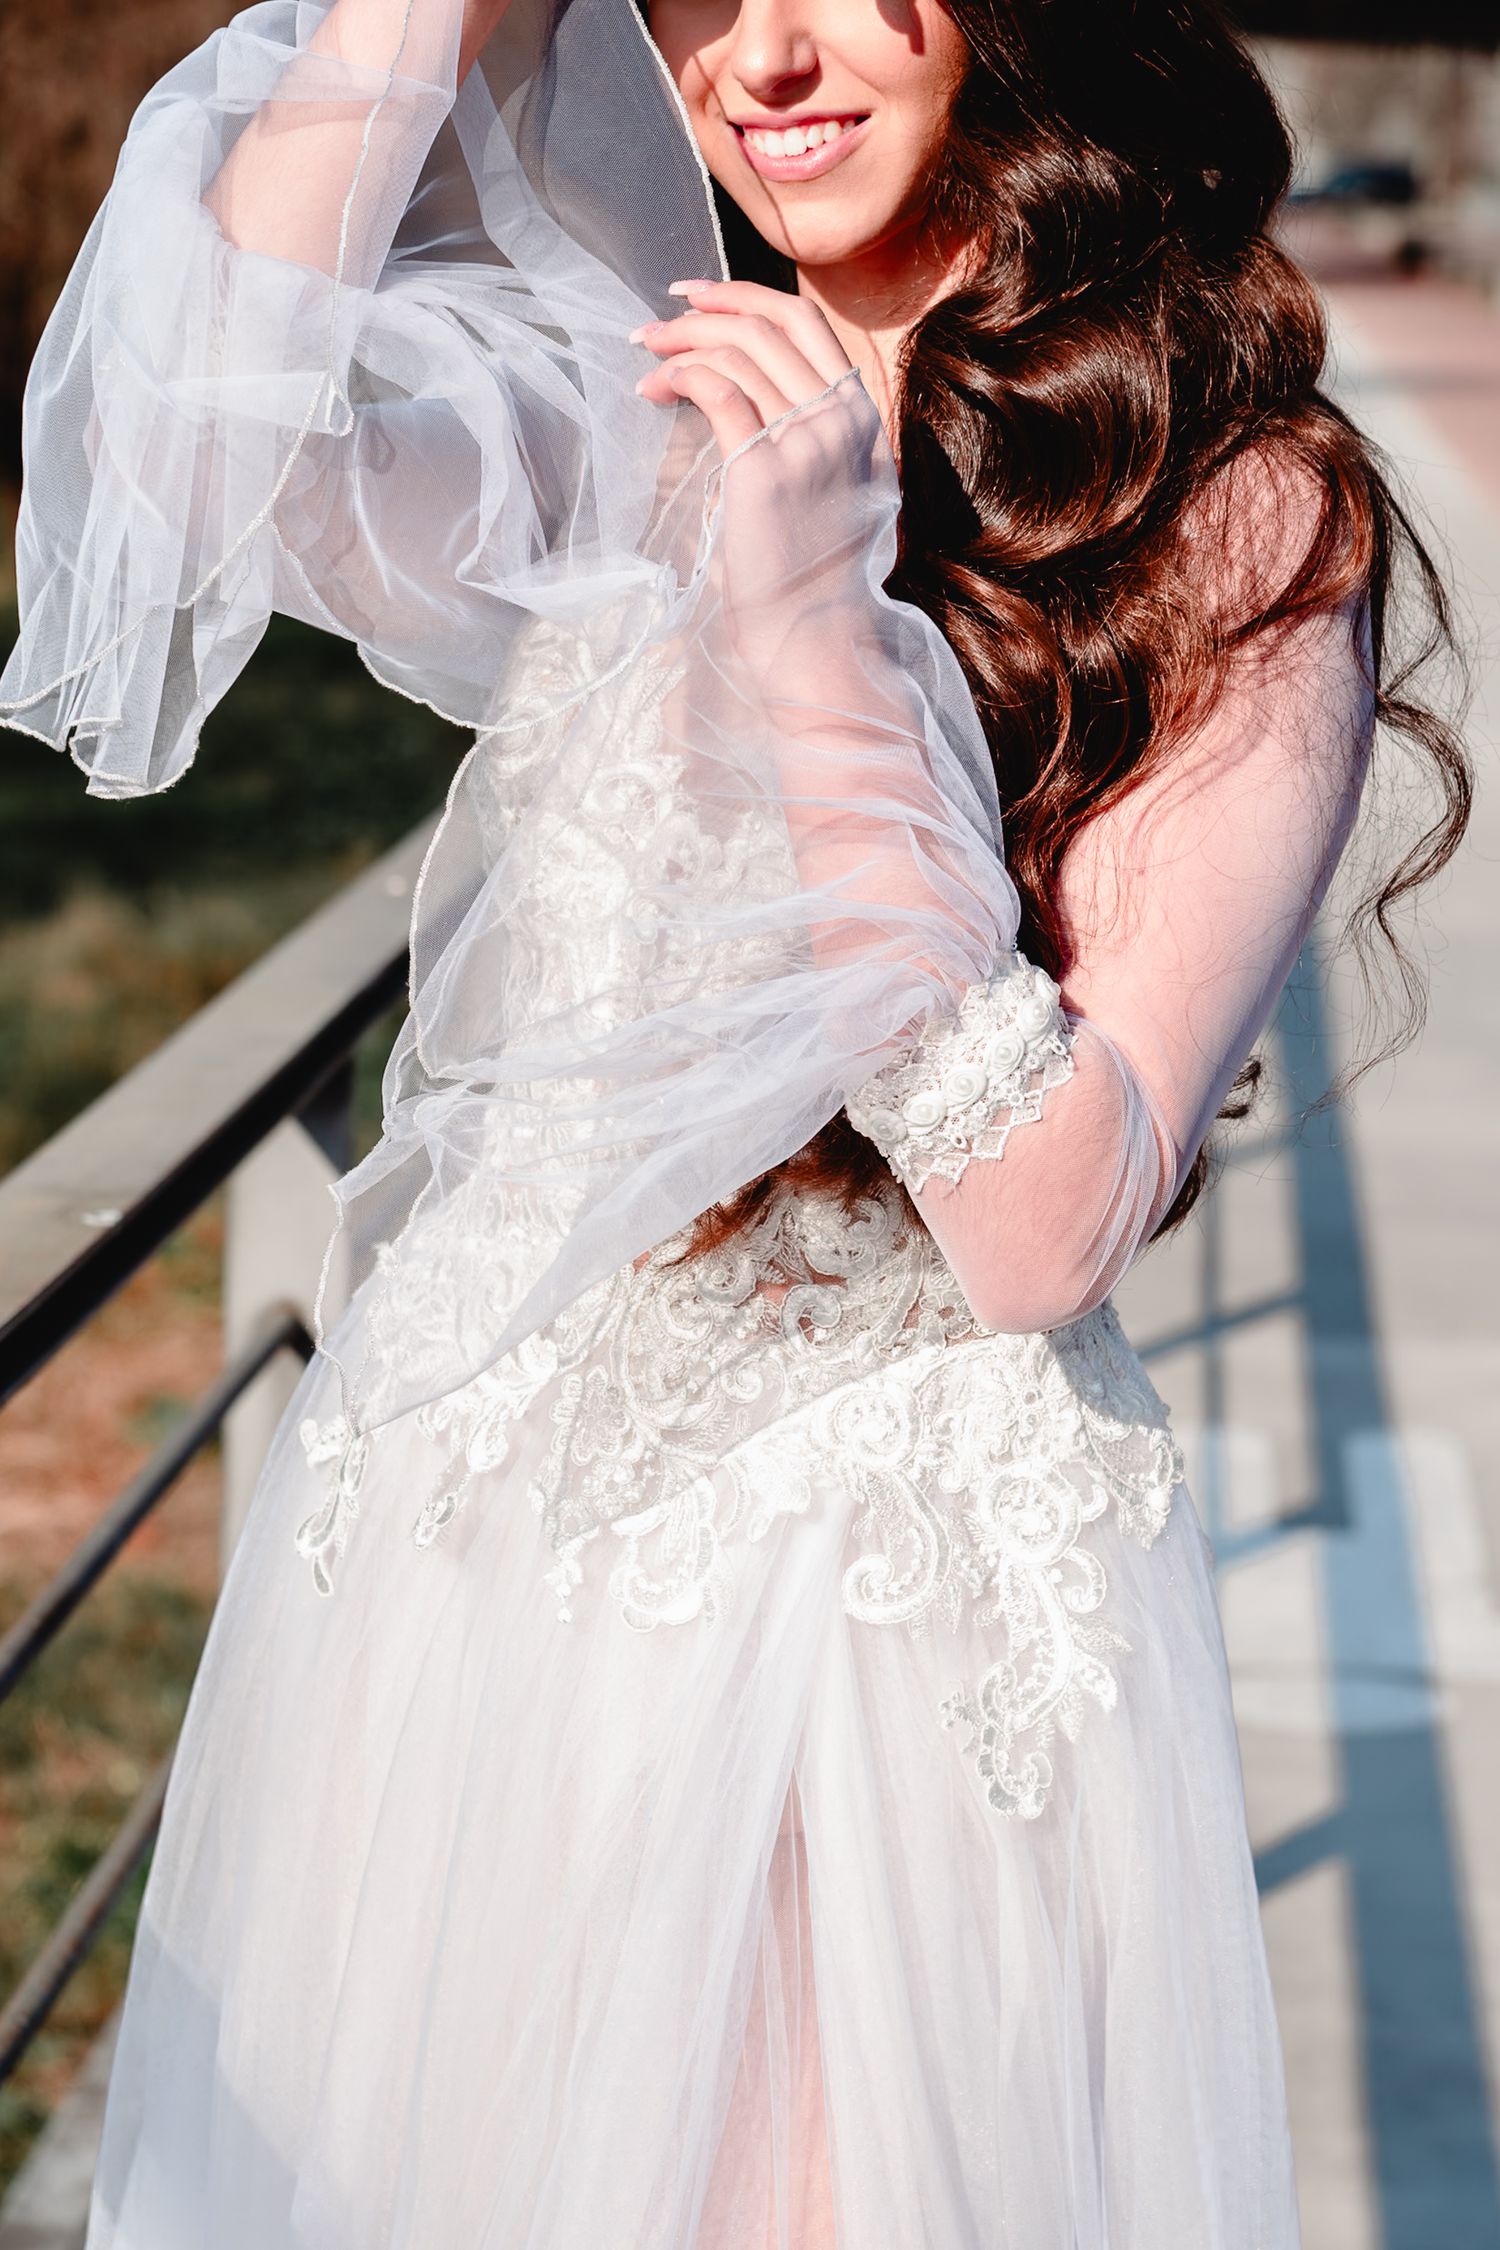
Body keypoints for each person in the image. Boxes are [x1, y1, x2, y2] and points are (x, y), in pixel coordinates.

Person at [0, 0, 1470, 2243]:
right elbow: (192, 456)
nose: (763, 52)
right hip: (453, 1613)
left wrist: (810, 640)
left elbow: (1044, 1227)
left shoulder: (1240, 510)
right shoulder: (631, 401)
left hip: (846, 1648)